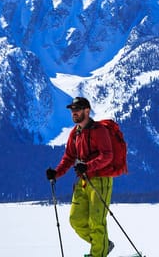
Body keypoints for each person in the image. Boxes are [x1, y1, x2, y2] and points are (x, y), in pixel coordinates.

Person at [46, 97, 115, 257]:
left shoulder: (99, 130)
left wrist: (88, 166)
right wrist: (56, 173)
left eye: (77, 109)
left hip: (100, 180)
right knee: (76, 219)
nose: (74, 112)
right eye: (72, 110)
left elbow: (107, 156)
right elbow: (69, 157)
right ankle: (103, 245)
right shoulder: (75, 133)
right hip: (83, 181)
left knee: (96, 221)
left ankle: (98, 252)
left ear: (87, 111)